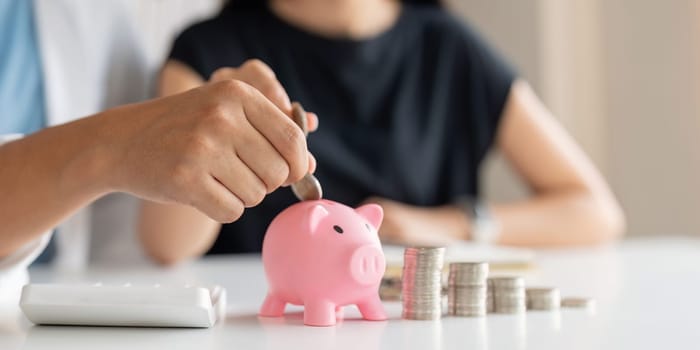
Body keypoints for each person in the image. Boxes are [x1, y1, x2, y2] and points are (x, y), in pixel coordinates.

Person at [138, 0, 626, 265]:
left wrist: (451, 226)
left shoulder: (449, 47)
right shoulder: (208, 49)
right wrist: (215, 137)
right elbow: (166, 246)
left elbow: (596, 214)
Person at [0, 0, 315, 297]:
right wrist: (109, 146)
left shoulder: (96, 15)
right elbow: (133, 151)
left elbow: (122, 227)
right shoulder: (206, 45)